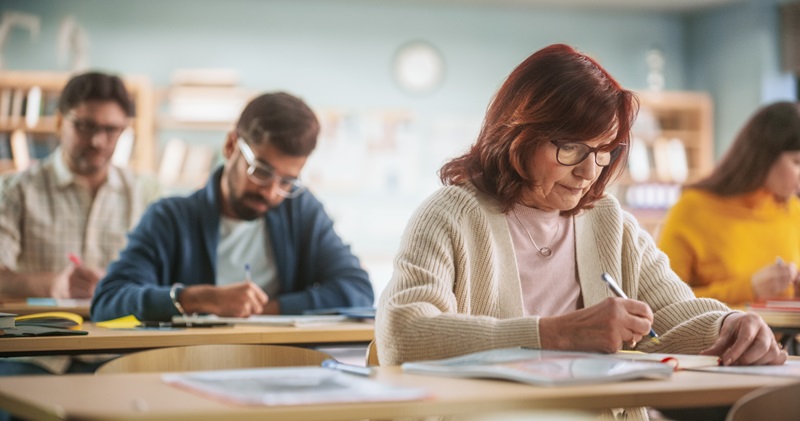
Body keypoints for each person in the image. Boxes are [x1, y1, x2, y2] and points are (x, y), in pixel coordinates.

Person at [376, 44, 785, 421]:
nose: (590, 172)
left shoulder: (610, 221)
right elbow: (402, 334)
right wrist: (554, 334)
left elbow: (672, 313)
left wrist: (729, 325)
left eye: (604, 150)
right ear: (519, 136)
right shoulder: (451, 214)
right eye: (571, 149)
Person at [90, 92, 374, 322]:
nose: (271, 192)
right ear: (230, 146)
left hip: (282, 365)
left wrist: (265, 308)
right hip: (189, 365)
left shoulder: (300, 210)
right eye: (261, 171)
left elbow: (357, 289)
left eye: (287, 181)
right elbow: (108, 300)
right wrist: (199, 299)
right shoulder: (170, 218)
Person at [0, 72, 160, 380]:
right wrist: (53, 286)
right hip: (34, 352)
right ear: (60, 122)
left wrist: (116, 286)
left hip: (117, 350)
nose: (98, 141)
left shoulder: (146, 193)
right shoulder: (15, 191)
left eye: (111, 129)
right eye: (85, 126)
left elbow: (165, 278)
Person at [658, 102, 800, 306]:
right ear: (765, 157)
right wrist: (749, 289)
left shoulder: (793, 210)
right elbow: (663, 303)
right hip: (717, 337)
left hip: (782, 338)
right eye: (797, 162)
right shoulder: (692, 209)